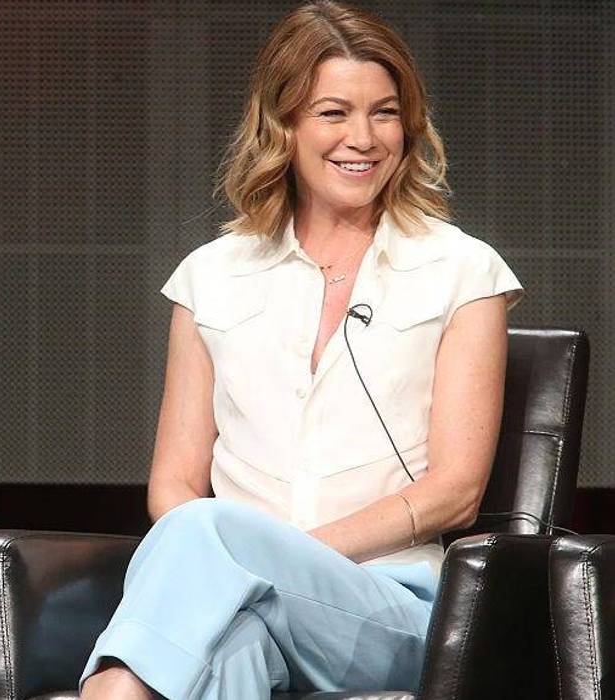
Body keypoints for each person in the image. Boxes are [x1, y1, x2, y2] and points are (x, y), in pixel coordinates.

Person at [79, 2, 522, 698]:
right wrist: (250, 569)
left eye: (383, 112)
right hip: (238, 599)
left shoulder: (462, 271)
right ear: (282, 125)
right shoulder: (210, 275)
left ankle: (108, 689)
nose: (363, 137)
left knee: (211, 551)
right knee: (232, 650)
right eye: (333, 112)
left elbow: (455, 493)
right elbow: (172, 487)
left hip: (389, 604)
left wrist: (273, 558)